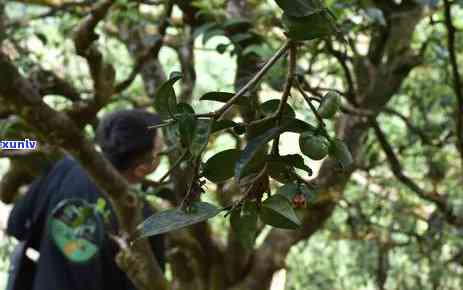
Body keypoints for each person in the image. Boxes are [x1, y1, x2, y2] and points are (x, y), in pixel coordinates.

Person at [6, 109, 165, 290]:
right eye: (162, 150)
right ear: (142, 168)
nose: (165, 151)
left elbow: (16, 225)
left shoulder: (65, 168)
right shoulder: (150, 221)